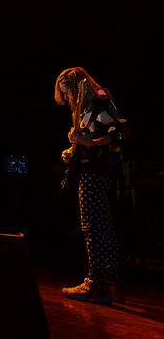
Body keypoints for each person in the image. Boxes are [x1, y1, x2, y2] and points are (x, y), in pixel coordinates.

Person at [55, 67, 126, 304]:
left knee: (92, 228)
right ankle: (112, 282)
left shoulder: (99, 101)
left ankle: (95, 283)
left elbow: (119, 133)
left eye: (68, 92)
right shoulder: (86, 109)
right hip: (95, 169)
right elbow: (93, 137)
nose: (67, 98)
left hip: (97, 172)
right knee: (103, 227)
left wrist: (89, 143)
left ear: (78, 88)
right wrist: (74, 150)